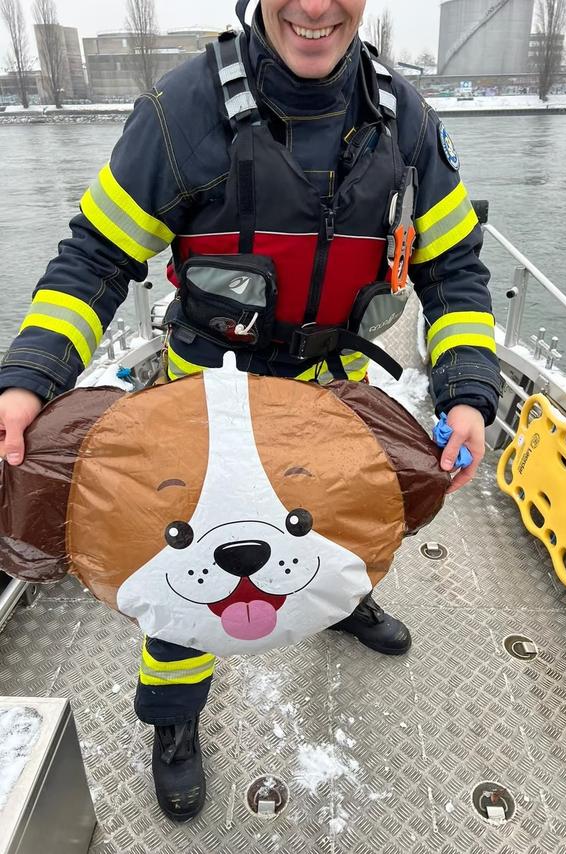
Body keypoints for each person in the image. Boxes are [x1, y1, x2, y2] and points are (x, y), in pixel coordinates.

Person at [0, 0, 501, 822]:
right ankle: (174, 721)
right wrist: (28, 377)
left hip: (331, 400)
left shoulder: (404, 119)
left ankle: (342, 601)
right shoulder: (181, 113)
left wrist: (469, 391)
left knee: (338, 531)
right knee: (187, 579)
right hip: (208, 407)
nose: (315, 6)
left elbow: (454, 267)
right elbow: (96, 255)